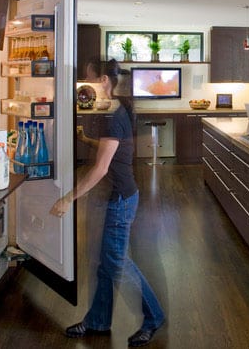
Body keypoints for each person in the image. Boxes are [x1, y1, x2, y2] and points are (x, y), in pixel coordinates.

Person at [50, 59, 165, 347]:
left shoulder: (115, 116)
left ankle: (154, 317)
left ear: (103, 80)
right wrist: (87, 139)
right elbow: (112, 151)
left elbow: (101, 168)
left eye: (89, 79)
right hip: (121, 196)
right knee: (106, 263)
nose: (87, 85)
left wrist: (68, 198)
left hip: (121, 199)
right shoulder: (117, 110)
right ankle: (98, 321)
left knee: (117, 263)